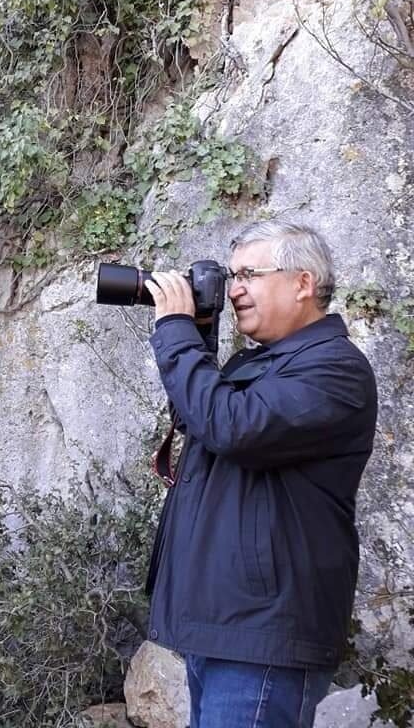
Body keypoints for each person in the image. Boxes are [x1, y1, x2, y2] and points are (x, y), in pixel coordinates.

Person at [143, 220, 377, 728]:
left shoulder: (335, 368)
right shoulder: (262, 364)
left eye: (250, 273)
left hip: (265, 633)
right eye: (231, 276)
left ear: (303, 283)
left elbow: (233, 428)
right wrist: (200, 340)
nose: (234, 290)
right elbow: (201, 419)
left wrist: (176, 332)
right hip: (228, 624)